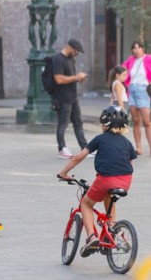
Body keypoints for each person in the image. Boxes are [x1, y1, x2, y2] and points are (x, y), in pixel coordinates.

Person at [58, 106, 136, 257]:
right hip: (126, 181)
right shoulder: (127, 142)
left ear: (104, 123)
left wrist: (64, 173)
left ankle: (91, 237)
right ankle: (111, 230)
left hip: (105, 179)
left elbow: (78, 157)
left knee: (86, 204)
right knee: (109, 197)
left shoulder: (99, 139)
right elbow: (130, 163)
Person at [53, 39, 89, 159]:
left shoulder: (71, 59)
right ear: (69, 47)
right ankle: (62, 148)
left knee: (78, 123)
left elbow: (70, 77)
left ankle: (85, 148)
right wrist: (76, 77)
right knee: (63, 124)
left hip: (73, 97)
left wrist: (79, 78)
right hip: (62, 98)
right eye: (76, 51)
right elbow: (59, 79)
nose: (77, 54)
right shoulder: (58, 59)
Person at [122, 40, 151, 156]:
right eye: (134, 48)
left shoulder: (148, 58)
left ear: (142, 49)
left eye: (138, 48)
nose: (136, 50)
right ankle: (138, 147)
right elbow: (121, 69)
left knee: (147, 122)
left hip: (143, 90)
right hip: (132, 90)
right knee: (135, 120)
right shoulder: (131, 60)